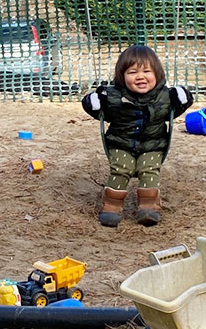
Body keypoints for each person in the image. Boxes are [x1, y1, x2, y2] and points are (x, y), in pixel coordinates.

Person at [82, 45, 193, 228]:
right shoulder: (113, 96)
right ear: (122, 77)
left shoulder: (164, 96)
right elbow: (94, 108)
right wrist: (93, 101)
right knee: (120, 169)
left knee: (148, 169)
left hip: (153, 145)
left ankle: (148, 208)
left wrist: (183, 97)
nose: (140, 76)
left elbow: (176, 108)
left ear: (157, 74)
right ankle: (112, 206)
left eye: (147, 71)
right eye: (132, 72)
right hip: (121, 144)